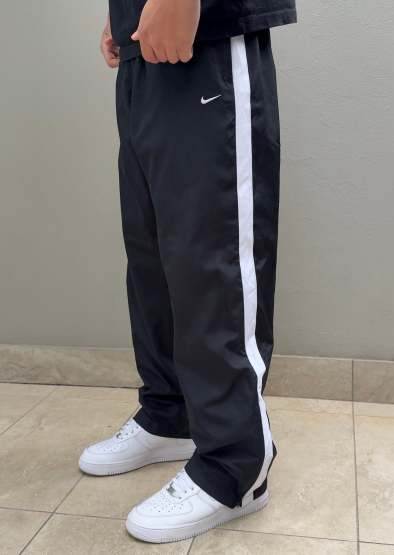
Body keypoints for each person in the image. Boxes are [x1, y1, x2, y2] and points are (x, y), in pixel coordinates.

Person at [79, 0, 296, 544]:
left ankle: (235, 465)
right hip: (143, 46)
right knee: (154, 255)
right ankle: (169, 414)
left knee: (211, 254)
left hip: (209, 32)